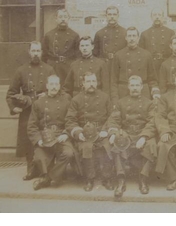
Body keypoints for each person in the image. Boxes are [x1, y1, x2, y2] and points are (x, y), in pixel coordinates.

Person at [6, 41, 55, 180]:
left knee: (45, 136)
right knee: (28, 138)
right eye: (33, 51)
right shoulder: (21, 70)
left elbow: (57, 89)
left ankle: (45, 168)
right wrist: (14, 107)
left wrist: (48, 94)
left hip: (44, 109)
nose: (35, 54)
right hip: (27, 110)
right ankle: (31, 168)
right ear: (29, 52)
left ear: (42, 52)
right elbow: (11, 93)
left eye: (38, 51)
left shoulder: (49, 69)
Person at [105, 75, 157, 198]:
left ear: (141, 87)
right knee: (118, 143)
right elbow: (113, 120)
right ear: (128, 87)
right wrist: (113, 133)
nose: (134, 88)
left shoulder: (149, 104)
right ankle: (121, 180)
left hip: (142, 133)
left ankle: (143, 179)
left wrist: (144, 136)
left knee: (151, 145)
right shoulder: (121, 103)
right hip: (127, 133)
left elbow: (152, 122)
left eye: (137, 85)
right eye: (132, 85)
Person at [66, 72, 114, 192]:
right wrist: (78, 133)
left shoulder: (105, 97)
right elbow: (70, 120)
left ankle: (106, 178)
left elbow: (112, 117)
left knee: (107, 146)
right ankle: (89, 179)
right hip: (85, 134)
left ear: (97, 83)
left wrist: (105, 130)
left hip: (101, 132)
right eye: (88, 82)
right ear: (83, 84)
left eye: (93, 81)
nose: (91, 84)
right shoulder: (76, 99)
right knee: (87, 147)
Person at [27, 75, 75, 190]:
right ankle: (52, 176)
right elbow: (32, 125)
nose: (54, 87)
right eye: (51, 84)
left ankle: (48, 178)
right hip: (45, 136)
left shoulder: (66, 101)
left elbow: (71, 120)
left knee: (69, 153)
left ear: (59, 86)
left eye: (56, 84)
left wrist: (65, 133)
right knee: (39, 156)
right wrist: (38, 140)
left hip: (60, 136)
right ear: (47, 86)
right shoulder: (38, 103)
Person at [111, 27, 160, 106]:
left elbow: (152, 79)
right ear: (126, 38)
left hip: (143, 92)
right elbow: (114, 81)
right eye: (129, 36)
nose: (132, 39)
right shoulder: (118, 55)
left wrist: (156, 95)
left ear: (138, 38)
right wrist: (115, 99)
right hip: (124, 92)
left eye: (134, 36)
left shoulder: (146, 55)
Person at [42, 8, 80, 82]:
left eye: (65, 17)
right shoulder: (49, 35)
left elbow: (78, 56)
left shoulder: (74, 35)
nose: (63, 19)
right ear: (56, 19)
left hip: (68, 67)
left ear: (68, 19)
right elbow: (44, 55)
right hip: (53, 67)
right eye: (60, 17)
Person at [93, 6, 127, 85]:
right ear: (106, 16)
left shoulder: (124, 32)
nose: (112, 17)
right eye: (110, 14)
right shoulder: (99, 33)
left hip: (119, 66)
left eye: (114, 14)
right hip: (105, 66)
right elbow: (95, 54)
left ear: (118, 16)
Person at [139, 9, 175, 76]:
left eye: (159, 15)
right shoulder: (145, 34)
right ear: (151, 17)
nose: (157, 17)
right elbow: (141, 54)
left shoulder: (170, 33)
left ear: (163, 17)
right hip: (151, 66)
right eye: (155, 15)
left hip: (166, 64)